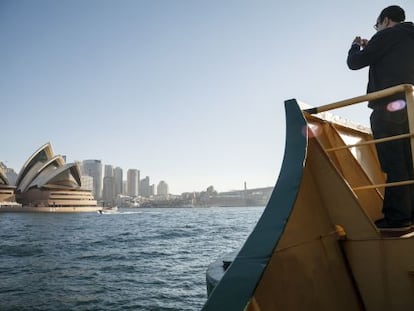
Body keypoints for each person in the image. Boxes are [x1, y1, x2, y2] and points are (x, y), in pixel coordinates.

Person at [347, 5, 414, 230]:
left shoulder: (386, 35)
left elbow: (354, 63)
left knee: (394, 164)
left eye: (377, 25)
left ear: (385, 20)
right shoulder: (408, 36)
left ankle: (397, 219)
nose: (376, 30)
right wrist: (374, 46)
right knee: (409, 162)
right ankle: (410, 214)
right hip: (410, 107)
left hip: (387, 109)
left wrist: (355, 46)